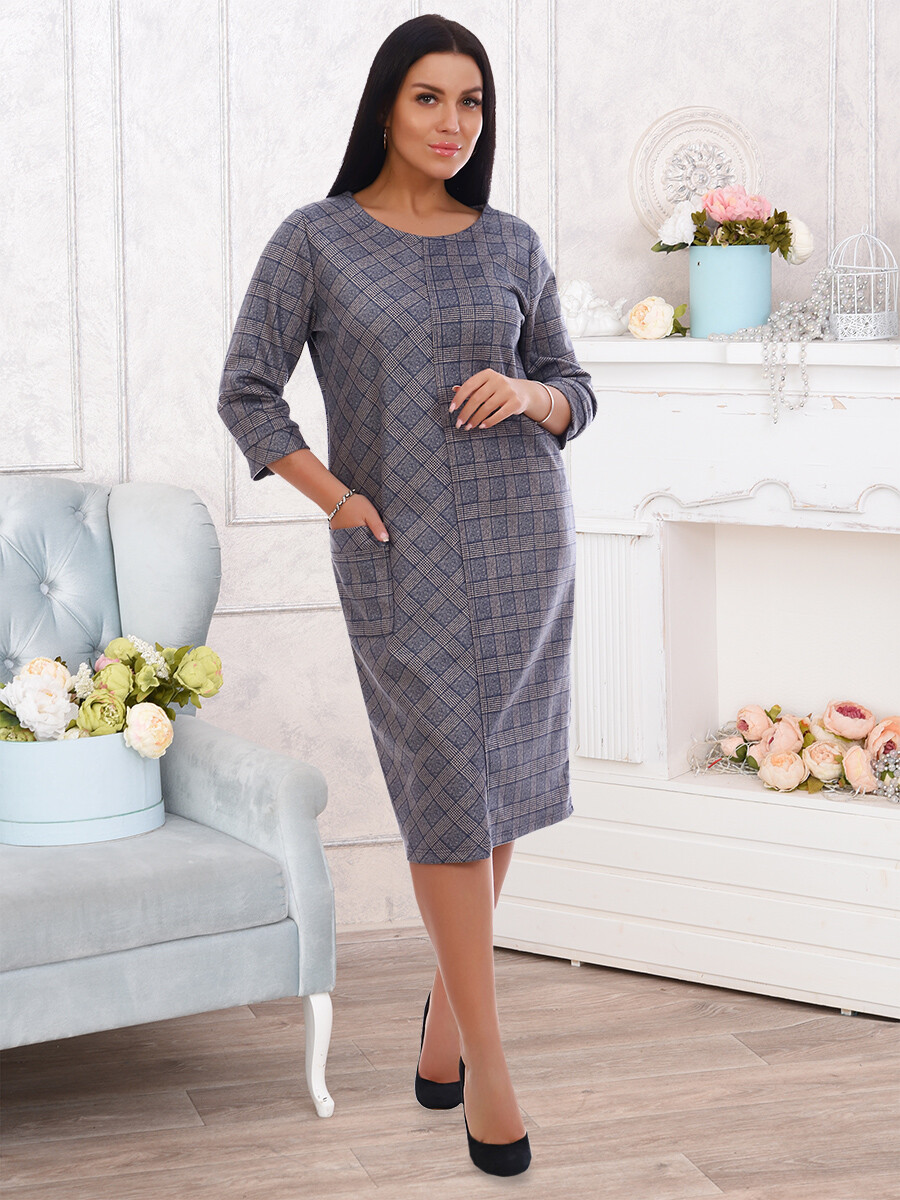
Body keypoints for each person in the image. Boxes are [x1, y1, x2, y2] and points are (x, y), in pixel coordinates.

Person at [218, 13, 596, 1178]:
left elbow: (574, 386)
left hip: (526, 545)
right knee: (446, 792)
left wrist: (528, 396)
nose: (453, 122)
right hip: (402, 556)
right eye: (430, 97)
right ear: (387, 105)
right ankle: (491, 1069)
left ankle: (445, 1027)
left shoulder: (512, 243)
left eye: (471, 101)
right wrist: (336, 498)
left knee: (498, 790)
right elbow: (246, 390)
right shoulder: (317, 239)